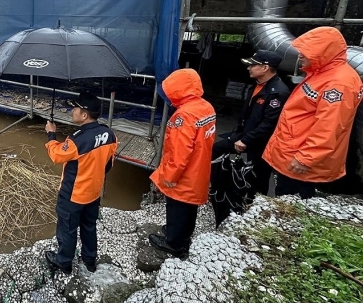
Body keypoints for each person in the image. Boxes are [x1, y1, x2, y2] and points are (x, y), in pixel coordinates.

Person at [263, 26, 363, 199]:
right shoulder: (322, 73)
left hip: (301, 161)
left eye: (306, 51)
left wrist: (306, 159)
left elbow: (329, 127)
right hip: (293, 151)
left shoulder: (339, 83)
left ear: (323, 52)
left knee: (292, 203)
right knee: (284, 197)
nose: (300, 55)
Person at [210, 50, 290, 225]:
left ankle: (253, 210)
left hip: (260, 142)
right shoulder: (257, 85)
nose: (249, 68)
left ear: (265, 67)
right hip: (244, 134)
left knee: (258, 175)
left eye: (252, 65)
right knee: (217, 149)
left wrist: (246, 140)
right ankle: (218, 189)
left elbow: (270, 124)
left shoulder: (278, 92)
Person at [44, 91, 118, 275]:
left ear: (84, 115)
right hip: (93, 193)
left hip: (73, 194)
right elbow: (108, 164)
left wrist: (51, 135)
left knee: (67, 229)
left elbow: (56, 155)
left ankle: (64, 262)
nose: (72, 111)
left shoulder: (77, 139)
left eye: (75, 108)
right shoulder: (109, 135)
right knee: (89, 226)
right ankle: (90, 260)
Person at [148, 68, 216, 259]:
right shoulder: (205, 107)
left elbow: (179, 152)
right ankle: (182, 236)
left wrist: (169, 176)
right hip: (198, 169)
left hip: (184, 174)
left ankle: (174, 243)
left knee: (177, 206)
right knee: (189, 208)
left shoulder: (183, 116)